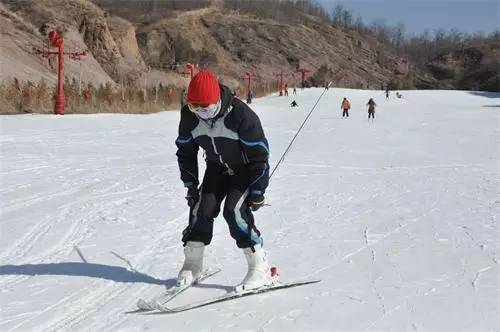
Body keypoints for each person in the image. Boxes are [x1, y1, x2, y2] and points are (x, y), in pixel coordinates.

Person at [175, 70, 272, 291]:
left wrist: (258, 191)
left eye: (206, 108)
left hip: (244, 169)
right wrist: (191, 186)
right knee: (201, 209)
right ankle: (193, 263)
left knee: (233, 211)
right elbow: (185, 152)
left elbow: (260, 155)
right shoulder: (190, 117)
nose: (201, 113)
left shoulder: (241, 115)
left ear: (218, 100)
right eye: (195, 107)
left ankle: (260, 267)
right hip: (216, 168)